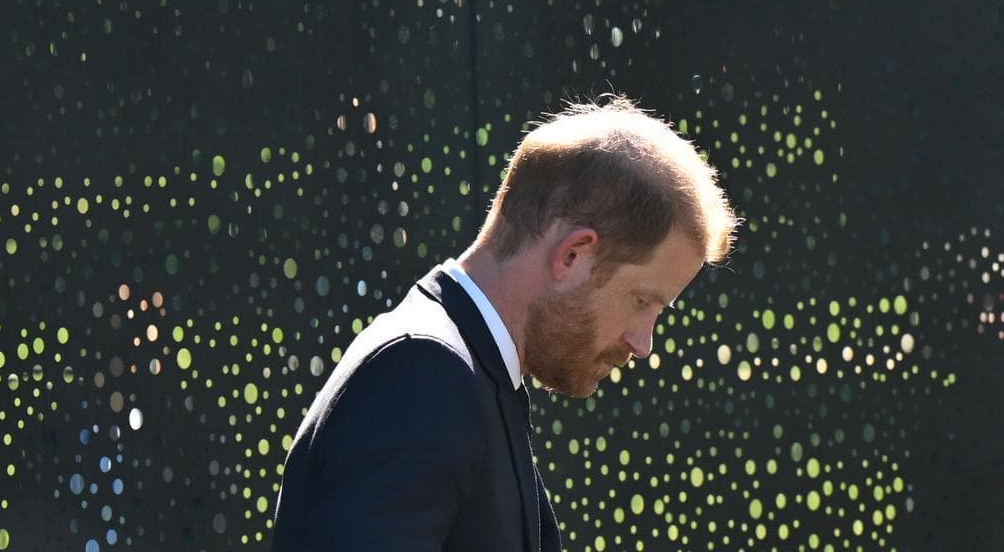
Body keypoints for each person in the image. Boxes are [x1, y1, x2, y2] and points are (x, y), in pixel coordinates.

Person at [270, 95, 739, 551]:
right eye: (642, 301)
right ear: (573, 255)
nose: (643, 344)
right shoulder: (423, 375)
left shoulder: (464, 373)